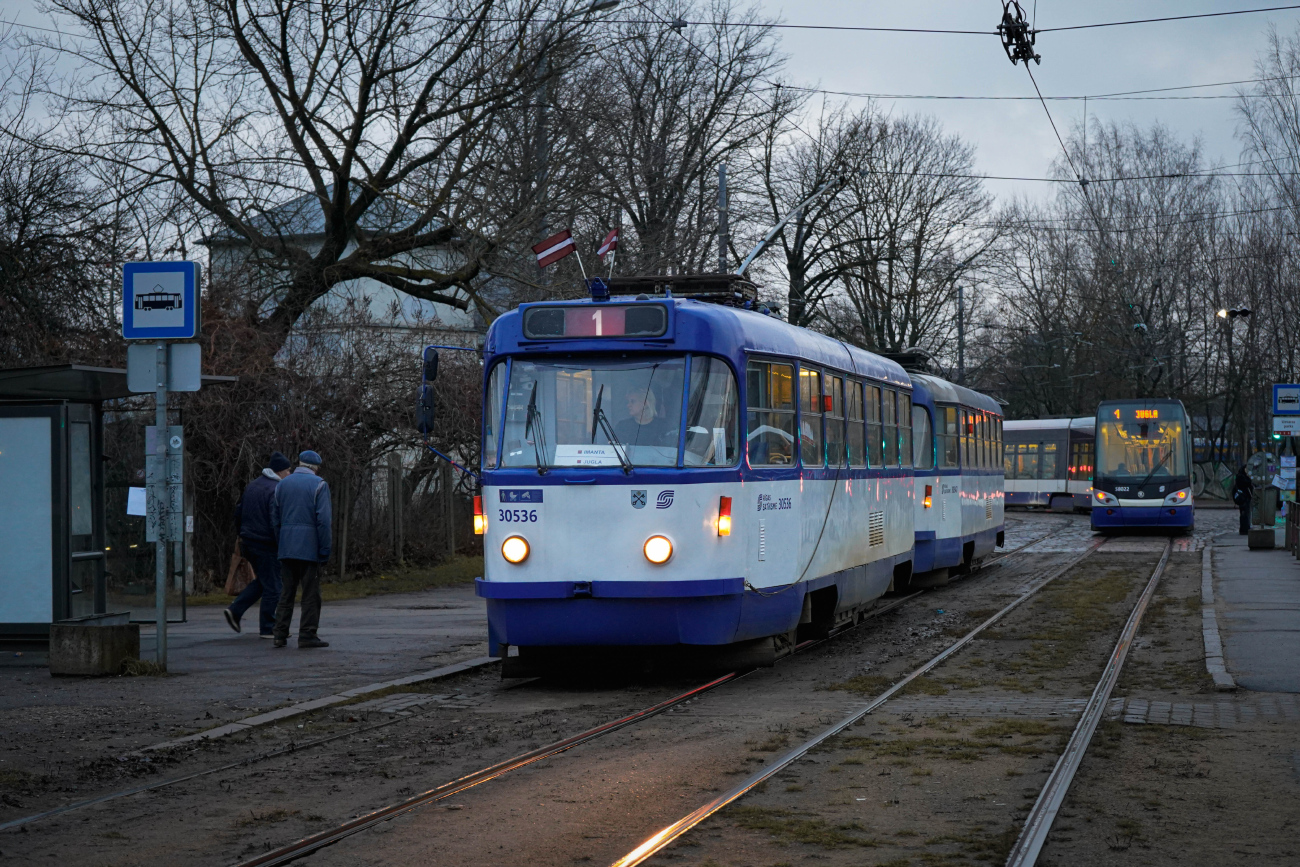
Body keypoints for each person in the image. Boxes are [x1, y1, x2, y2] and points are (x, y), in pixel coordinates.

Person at [224, 451, 292, 637]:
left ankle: (235, 610)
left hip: (248, 541)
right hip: (266, 544)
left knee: (263, 581)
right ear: (279, 471)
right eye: (287, 470)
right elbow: (274, 520)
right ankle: (268, 628)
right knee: (274, 586)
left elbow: (238, 513)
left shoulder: (253, 486)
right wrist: (282, 545)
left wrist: (241, 535)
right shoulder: (275, 490)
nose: (289, 474)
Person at [270, 450, 333, 648]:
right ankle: (307, 634)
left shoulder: (282, 485)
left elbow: (275, 518)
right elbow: (323, 521)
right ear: (316, 467)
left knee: (286, 592)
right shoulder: (320, 485)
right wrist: (324, 550)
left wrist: (282, 541)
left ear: (299, 464)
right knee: (310, 594)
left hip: (287, 547)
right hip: (309, 549)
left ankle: (279, 633)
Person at [612, 385, 676, 448]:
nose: (628, 405)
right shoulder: (622, 427)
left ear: (645, 403)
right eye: (628, 402)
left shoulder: (664, 427)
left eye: (633, 401)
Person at [1231, 464, 1254, 536]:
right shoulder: (1241, 477)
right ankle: (1244, 529)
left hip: (1244, 498)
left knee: (1245, 513)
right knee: (1244, 514)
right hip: (1243, 498)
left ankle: (1245, 527)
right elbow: (1248, 483)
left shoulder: (1241, 476)